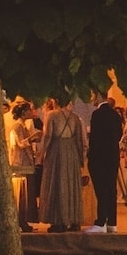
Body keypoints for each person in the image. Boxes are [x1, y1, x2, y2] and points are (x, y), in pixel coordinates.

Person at [38, 98, 87, 231]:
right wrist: (80, 159)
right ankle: (74, 220)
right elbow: (79, 140)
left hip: (56, 150)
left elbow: (48, 136)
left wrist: (41, 155)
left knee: (57, 183)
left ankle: (58, 221)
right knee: (71, 185)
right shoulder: (75, 118)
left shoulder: (51, 115)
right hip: (71, 152)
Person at [87, 97, 126, 232]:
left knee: (101, 189)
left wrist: (90, 155)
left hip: (99, 157)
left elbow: (94, 138)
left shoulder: (97, 115)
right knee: (111, 188)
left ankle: (101, 221)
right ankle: (112, 222)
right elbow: (119, 135)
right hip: (112, 156)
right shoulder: (115, 115)